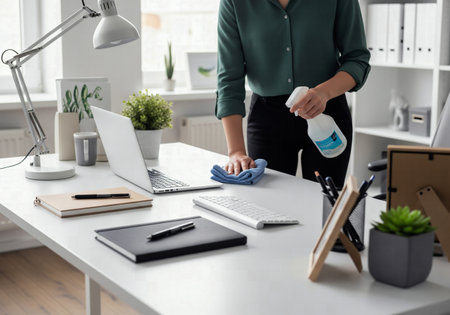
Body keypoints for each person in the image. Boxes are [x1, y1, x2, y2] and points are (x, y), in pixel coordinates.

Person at [215, 0, 371, 187]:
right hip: (267, 120)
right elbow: (229, 79)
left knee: (325, 205)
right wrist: (236, 152)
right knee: (270, 208)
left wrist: (323, 93)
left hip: (327, 112)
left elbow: (357, 59)